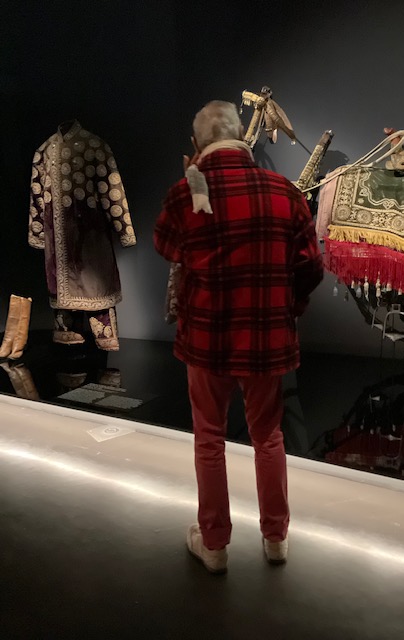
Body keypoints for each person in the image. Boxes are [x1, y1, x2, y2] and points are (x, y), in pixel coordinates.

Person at [153, 100, 323, 574]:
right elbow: (311, 267)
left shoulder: (184, 193)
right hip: (266, 338)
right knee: (268, 436)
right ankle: (276, 538)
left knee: (209, 437)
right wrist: (289, 308)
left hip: (205, 338)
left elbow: (166, 246)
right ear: (241, 137)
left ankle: (214, 545)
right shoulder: (284, 192)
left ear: (197, 144)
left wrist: (192, 183)